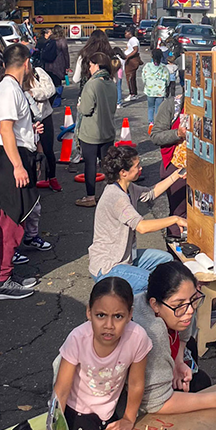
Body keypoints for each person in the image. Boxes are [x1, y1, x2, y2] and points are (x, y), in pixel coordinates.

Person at [26, 277, 151, 430]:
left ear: (130, 314)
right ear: (89, 312)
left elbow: (136, 382)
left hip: (109, 412)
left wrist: (128, 419)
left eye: (118, 316)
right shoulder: (77, 338)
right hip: (76, 410)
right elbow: (61, 391)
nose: (109, 326)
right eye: (101, 315)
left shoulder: (138, 337)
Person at [134, 261, 216, 414]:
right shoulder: (150, 336)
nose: (189, 311)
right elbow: (156, 403)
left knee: (197, 367)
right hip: (138, 403)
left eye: (193, 299)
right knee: (201, 385)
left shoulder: (177, 308)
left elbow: (184, 336)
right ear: (155, 305)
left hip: (164, 367)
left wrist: (177, 362)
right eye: (180, 304)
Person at [89, 145, 186, 294]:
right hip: (109, 266)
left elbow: (150, 193)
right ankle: (136, 309)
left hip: (126, 256)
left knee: (166, 260)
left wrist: (175, 175)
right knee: (155, 282)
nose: (141, 168)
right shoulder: (117, 198)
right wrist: (174, 219)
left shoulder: (128, 187)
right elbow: (142, 227)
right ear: (123, 172)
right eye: (137, 166)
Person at [0, 43, 43, 301]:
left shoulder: (11, 88)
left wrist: (31, 131)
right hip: (12, 159)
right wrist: (18, 166)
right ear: (26, 63)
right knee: (10, 219)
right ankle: (2, 281)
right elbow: (5, 130)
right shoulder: (8, 89)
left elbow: (15, 129)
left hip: (17, 155)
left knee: (16, 216)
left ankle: (7, 274)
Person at [76, 53, 119, 208]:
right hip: (108, 130)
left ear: (97, 65)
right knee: (108, 165)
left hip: (91, 132)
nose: (89, 67)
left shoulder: (92, 84)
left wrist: (80, 106)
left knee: (90, 165)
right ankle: (110, 195)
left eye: (91, 64)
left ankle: (90, 196)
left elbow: (86, 109)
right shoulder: (112, 83)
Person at [151, 80, 189, 238]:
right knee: (178, 213)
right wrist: (177, 134)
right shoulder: (172, 105)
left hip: (203, 169)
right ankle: (174, 253)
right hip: (176, 167)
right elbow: (155, 135)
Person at [26, 62, 62, 195]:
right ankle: (32, 183)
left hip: (44, 116)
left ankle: (52, 178)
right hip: (25, 120)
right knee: (29, 152)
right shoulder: (13, 79)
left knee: (48, 149)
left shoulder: (38, 72)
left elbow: (51, 90)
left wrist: (32, 93)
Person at [42, 25, 70, 109]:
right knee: (58, 83)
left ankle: (51, 100)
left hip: (48, 65)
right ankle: (56, 101)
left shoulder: (50, 39)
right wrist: (67, 65)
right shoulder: (62, 41)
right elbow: (65, 54)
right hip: (58, 65)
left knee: (51, 82)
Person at [141, 48, 170, 127]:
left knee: (151, 107)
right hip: (160, 91)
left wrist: (146, 84)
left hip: (150, 90)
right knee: (158, 108)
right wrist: (166, 86)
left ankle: (150, 122)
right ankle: (157, 123)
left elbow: (144, 77)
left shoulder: (147, 66)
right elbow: (167, 80)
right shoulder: (164, 67)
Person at [124, 27, 142, 100]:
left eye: (126, 33)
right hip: (131, 60)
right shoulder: (132, 40)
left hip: (132, 60)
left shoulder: (133, 40)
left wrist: (127, 56)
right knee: (132, 77)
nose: (125, 35)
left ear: (130, 33)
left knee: (130, 76)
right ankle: (134, 93)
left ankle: (132, 93)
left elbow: (135, 50)